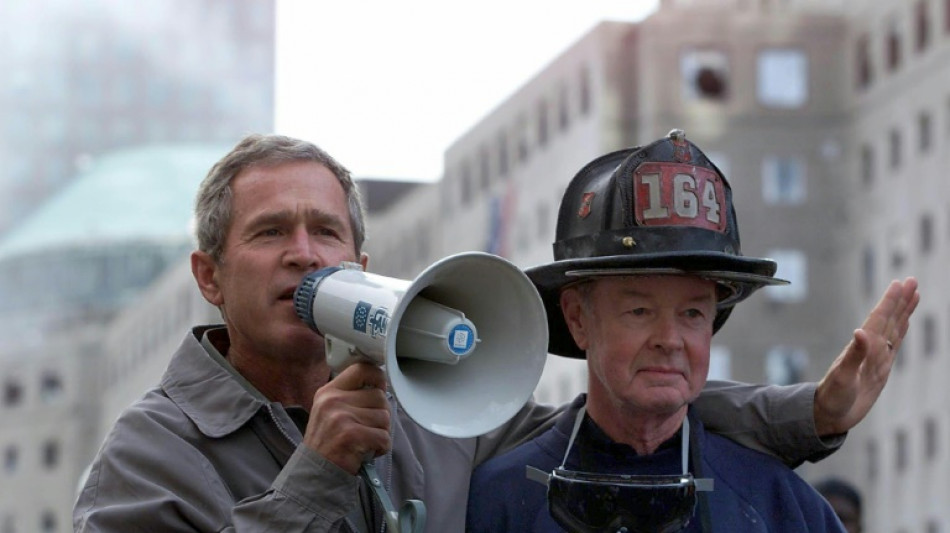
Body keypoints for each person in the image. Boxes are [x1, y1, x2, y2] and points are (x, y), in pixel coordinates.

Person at [73, 133, 911, 532]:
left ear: (361, 259)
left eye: (325, 232)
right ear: (209, 276)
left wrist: (813, 412)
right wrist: (316, 479)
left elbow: (622, 407)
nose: (303, 254)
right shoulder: (151, 457)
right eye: (268, 233)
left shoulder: (440, 416)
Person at [466, 130, 919, 532]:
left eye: (693, 314)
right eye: (640, 310)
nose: (670, 338)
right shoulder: (496, 503)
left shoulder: (782, 509)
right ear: (578, 319)